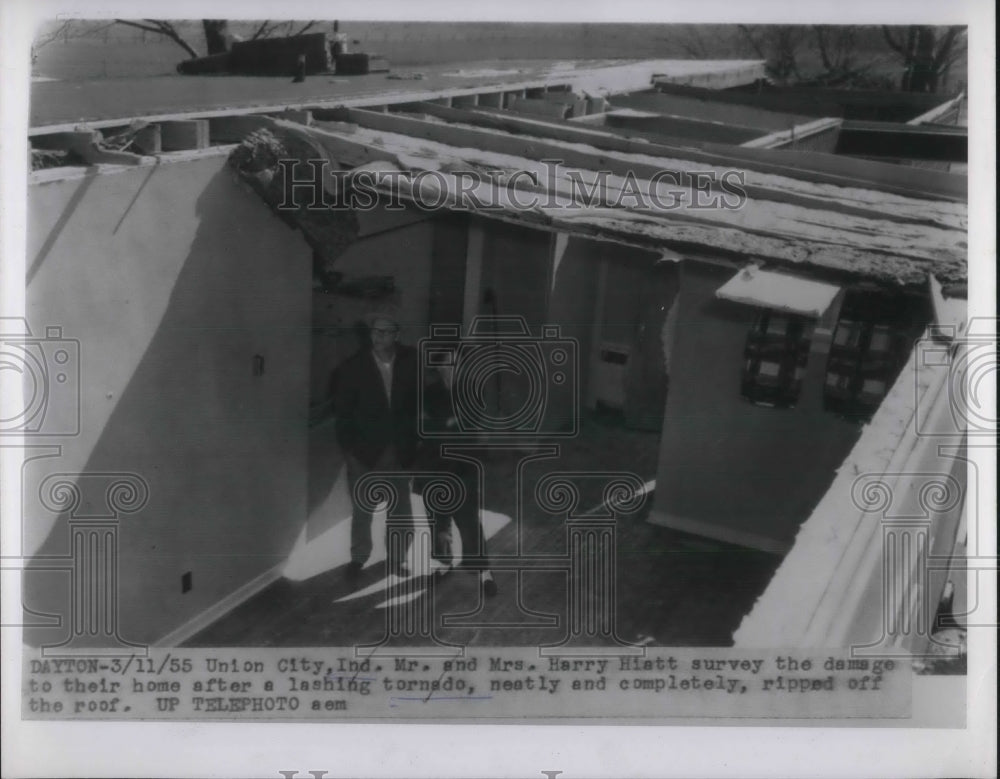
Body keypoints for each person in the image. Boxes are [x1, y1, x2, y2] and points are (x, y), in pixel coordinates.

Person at [334, 307, 419, 580]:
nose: (378, 337)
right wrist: (351, 454)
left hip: (398, 449)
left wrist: (414, 445)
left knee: (401, 510)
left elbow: (417, 404)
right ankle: (359, 557)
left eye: (385, 331)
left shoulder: (411, 360)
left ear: (397, 334)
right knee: (363, 509)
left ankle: (398, 558)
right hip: (364, 452)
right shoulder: (351, 368)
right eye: (375, 331)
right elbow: (343, 416)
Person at [417, 359, 497, 598]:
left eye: (452, 363)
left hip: (464, 468)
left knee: (469, 521)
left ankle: (483, 571)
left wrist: (447, 427)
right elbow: (425, 428)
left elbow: (472, 428)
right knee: (438, 519)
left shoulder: (473, 389)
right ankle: (443, 562)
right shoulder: (429, 393)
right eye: (443, 364)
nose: (448, 368)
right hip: (437, 467)